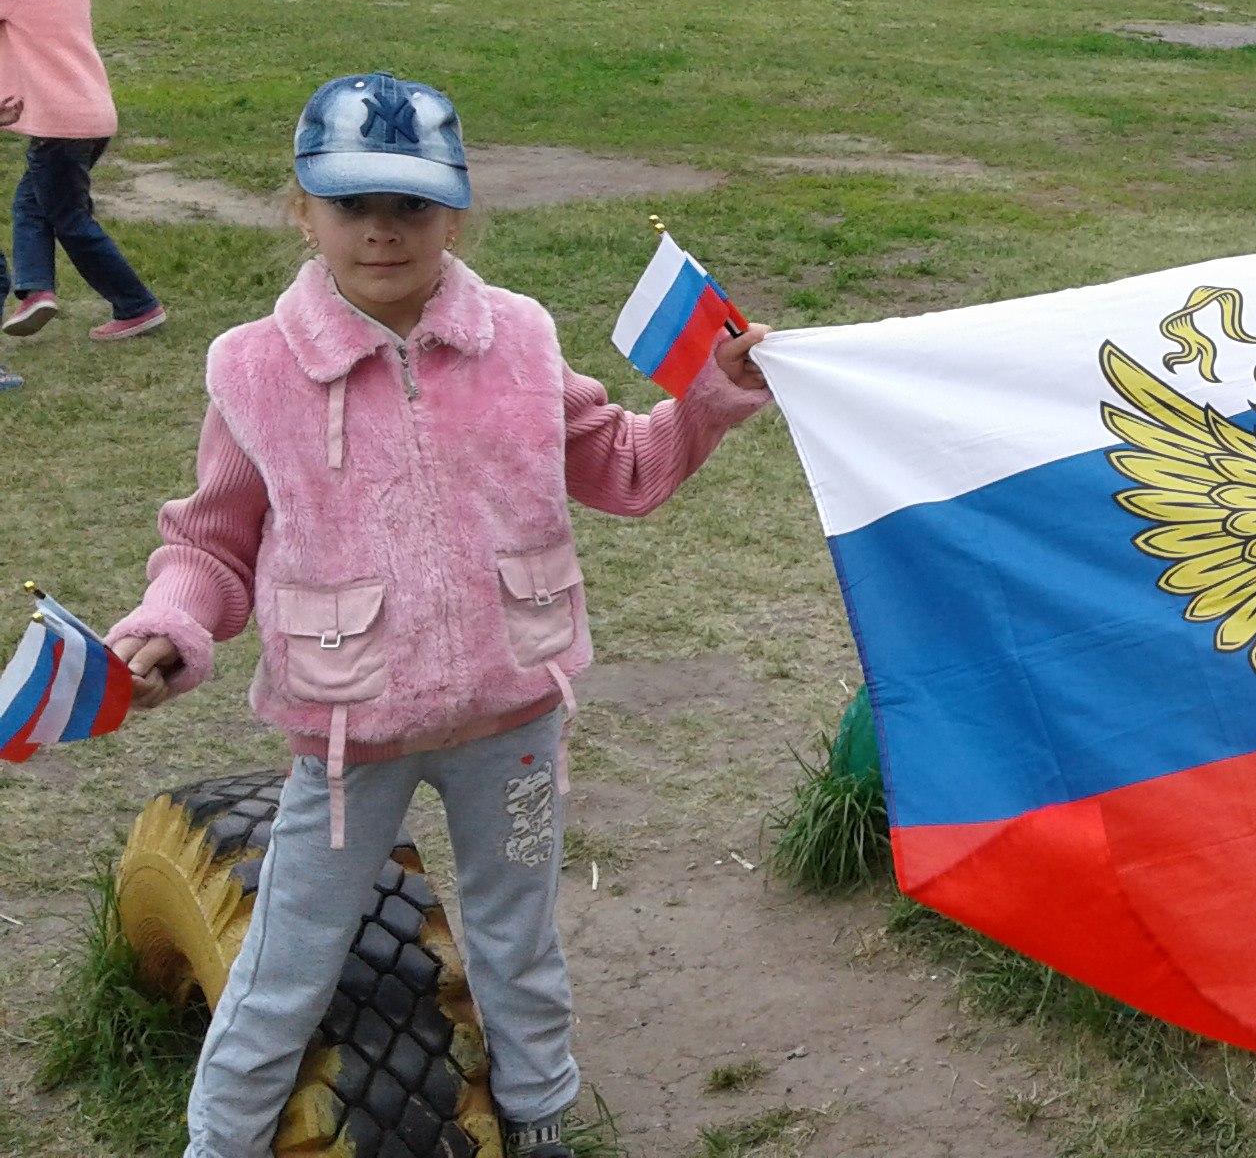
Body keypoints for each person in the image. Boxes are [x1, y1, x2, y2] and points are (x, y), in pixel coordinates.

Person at [103, 72, 774, 1158]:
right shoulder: (254, 369)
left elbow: (624, 466)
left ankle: (541, 1121)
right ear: (301, 211)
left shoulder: (521, 340)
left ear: (457, 213)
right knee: (287, 957)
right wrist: (167, 627)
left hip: (514, 728)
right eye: (350, 204)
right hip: (348, 736)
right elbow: (210, 544)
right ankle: (217, 1141)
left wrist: (708, 401)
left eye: (412, 204)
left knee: (518, 938)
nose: (382, 230)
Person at [0, 0, 166, 343]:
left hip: (59, 120)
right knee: (34, 202)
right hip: (91, 115)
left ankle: (137, 305)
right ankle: (36, 291)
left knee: (69, 218)